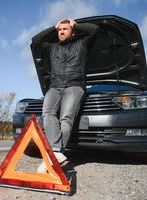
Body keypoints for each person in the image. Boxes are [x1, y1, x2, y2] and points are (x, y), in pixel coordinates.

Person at [31, 19, 99, 172]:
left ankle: (55, 153)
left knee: (65, 118)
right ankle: (56, 152)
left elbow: (94, 30)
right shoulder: (52, 47)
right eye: (59, 29)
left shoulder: (82, 43)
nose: (61, 31)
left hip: (74, 86)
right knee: (47, 113)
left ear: (72, 31)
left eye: (65, 29)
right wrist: (53, 27)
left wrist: (75, 24)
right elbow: (36, 40)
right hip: (55, 87)